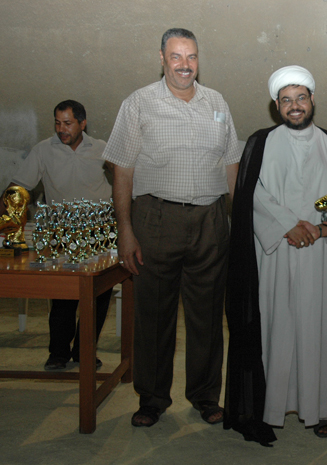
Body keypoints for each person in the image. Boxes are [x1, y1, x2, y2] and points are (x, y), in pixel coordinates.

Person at [102, 28, 241, 428]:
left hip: (211, 220)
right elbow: (122, 169)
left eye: (191, 56)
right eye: (176, 56)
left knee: (207, 315)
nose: (185, 65)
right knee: (154, 313)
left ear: (199, 59)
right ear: (161, 58)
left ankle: (205, 395)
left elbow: (231, 165)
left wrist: (240, 221)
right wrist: (125, 230)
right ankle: (152, 398)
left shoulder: (217, 102)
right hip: (156, 219)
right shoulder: (139, 103)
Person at [224, 65, 327, 446]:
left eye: (301, 98)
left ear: (312, 100)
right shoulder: (260, 142)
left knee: (322, 327)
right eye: (286, 100)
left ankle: (322, 408)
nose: (294, 106)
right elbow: (250, 193)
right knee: (277, 325)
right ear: (276, 106)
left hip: (322, 253)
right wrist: (287, 223)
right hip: (275, 253)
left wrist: (316, 224)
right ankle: (274, 405)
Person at [0, 100, 113, 371]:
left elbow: (125, 180)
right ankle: (58, 353)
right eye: (57, 123)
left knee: (98, 296)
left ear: (82, 123)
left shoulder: (103, 148)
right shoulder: (43, 150)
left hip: (99, 233)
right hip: (60, 234)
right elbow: (16, 188)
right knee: (62, 295)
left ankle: (84, 352)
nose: (61, 129)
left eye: (67, 123)